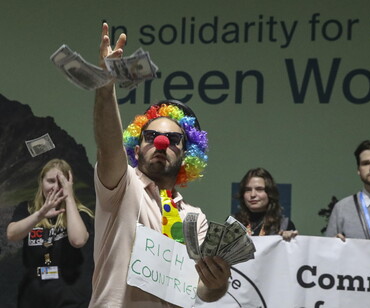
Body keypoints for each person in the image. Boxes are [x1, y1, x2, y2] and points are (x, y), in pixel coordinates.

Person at [89, 23, 230, 308]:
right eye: (151, 136)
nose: (162, 143)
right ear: (137, 146)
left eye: (173, 139)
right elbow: (108, 146)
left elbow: (202, 290)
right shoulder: (122, 186)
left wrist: (217, 284)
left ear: (187, 153)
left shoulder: (195, 218)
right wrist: (106, 90)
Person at [7, 159, 94, 308]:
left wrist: (69, 197)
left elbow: (78, 240)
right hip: (33, 299)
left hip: (71, 299)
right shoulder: (27, 209)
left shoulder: (81, 214)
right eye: (51, 181)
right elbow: (12, 234)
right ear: (41, 182)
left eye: (61, 183)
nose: (55, 187)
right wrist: (39, 215)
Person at [235, 168, 298, 241]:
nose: (252, 194)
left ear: (270, 193)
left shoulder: (284, 225)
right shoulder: (233, 224)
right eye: (248, 190)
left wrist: (290, 240)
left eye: (259, 189)